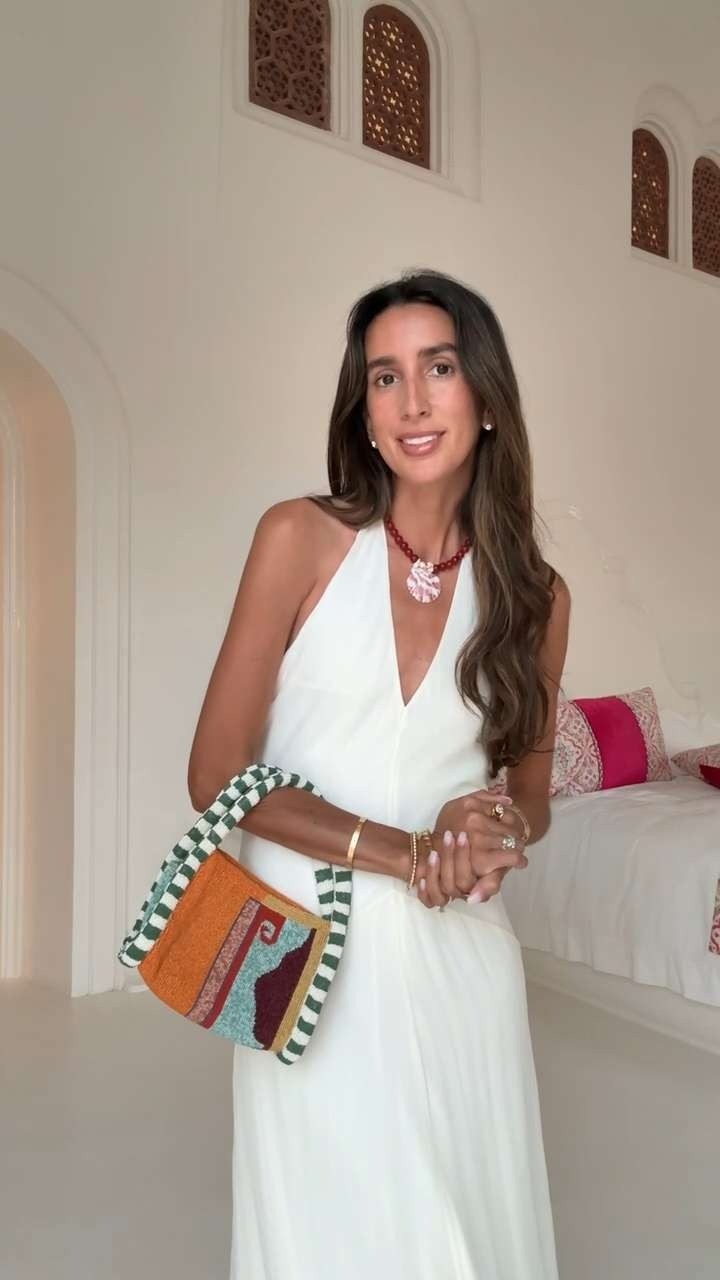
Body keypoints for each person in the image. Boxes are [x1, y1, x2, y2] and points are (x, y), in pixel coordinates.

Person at [187, 268, 570, 1279]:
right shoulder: (298, 537)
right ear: (362, 412)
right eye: (384, 377)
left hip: (461, 952)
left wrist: (496, 826)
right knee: (325, 1225)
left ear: (486, 396)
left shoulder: (535, 595)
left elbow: (532, 794)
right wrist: (406, 851)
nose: (411, 402)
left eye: (438, 368)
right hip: (298, 951)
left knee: (465, 1228)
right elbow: (215, 771)